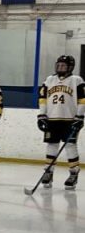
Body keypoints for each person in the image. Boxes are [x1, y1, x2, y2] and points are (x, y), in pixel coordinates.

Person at [37, 55, 85, 189]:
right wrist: (41, 115)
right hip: (51, 119)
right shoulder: (49, 80)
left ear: (70, 67)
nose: (60, 67)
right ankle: (48, 172)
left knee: (70, 146)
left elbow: (82, 100)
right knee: (51, 145)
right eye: (58, 65)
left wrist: (79, 117)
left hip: (70, 119)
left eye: (63, 65)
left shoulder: (76, 80)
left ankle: (74, 173)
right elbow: (43, 99)